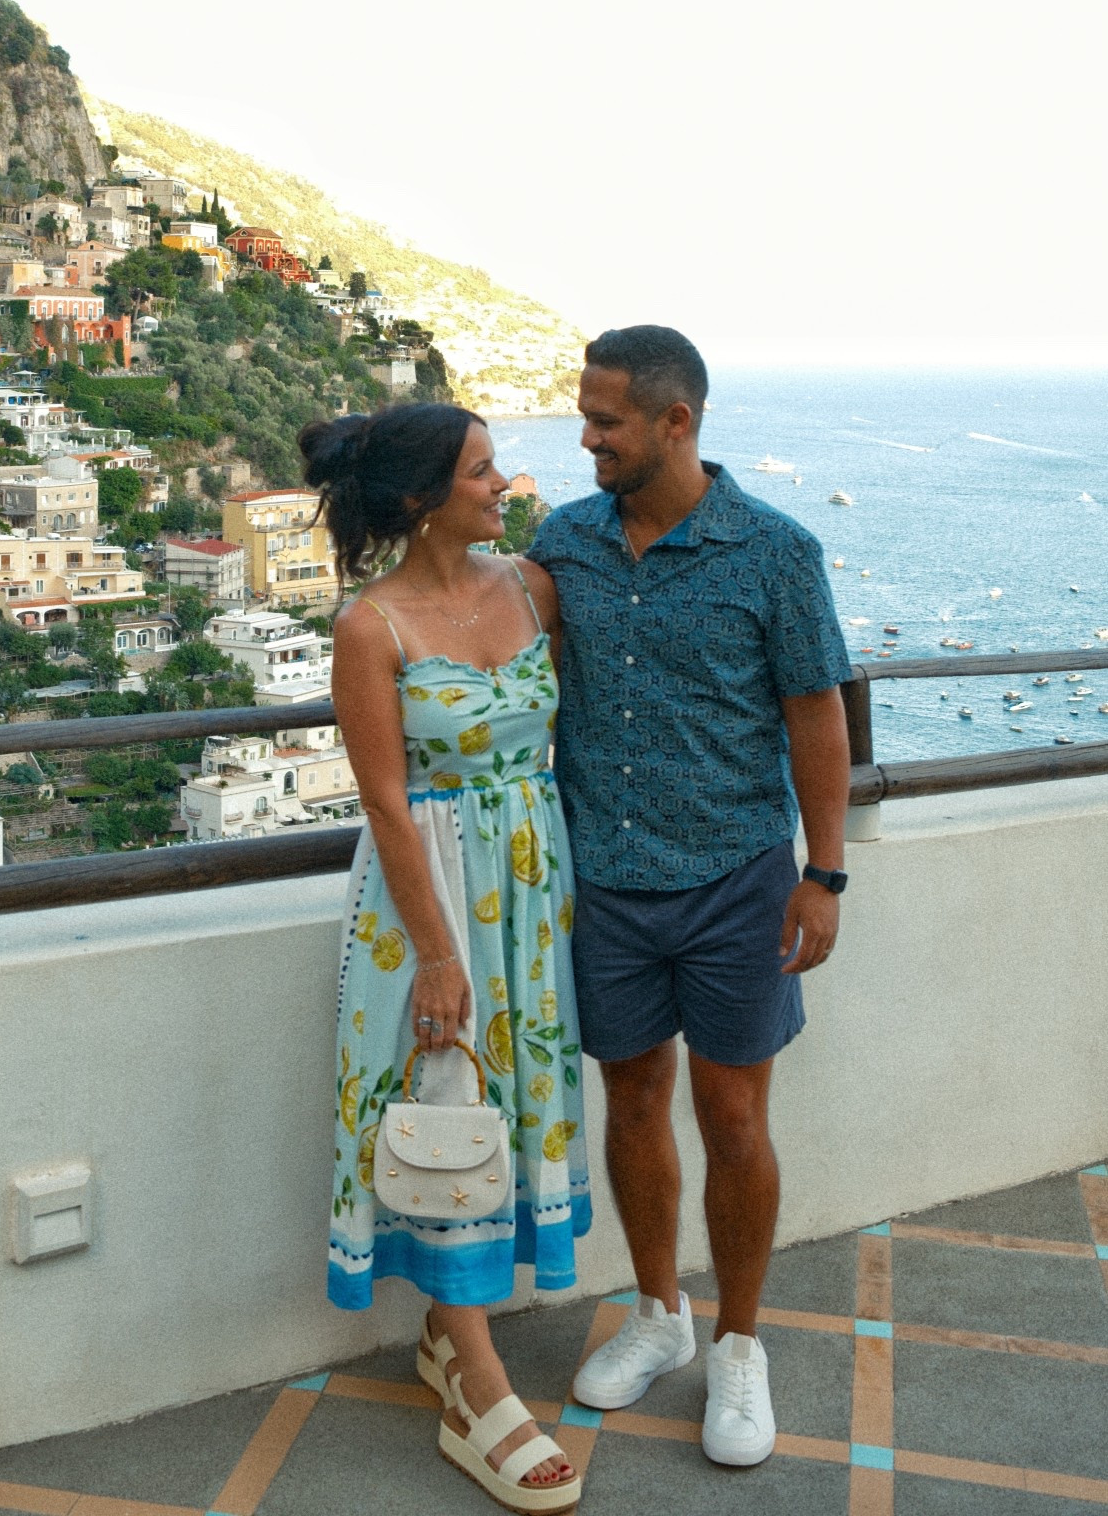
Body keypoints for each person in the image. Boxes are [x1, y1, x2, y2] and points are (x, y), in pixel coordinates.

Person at [524, 326, 851, 1469]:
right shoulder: (561, 539)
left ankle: (738, 1344)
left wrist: (824, 869)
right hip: (603, 882)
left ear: (675, 421)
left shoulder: (773, 550)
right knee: (630, 1102)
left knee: (735, 1117)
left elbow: (817, 713)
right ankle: (658, 1310)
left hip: (736, 878)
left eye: (604, 420)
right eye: (585, 414)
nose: (585, 437)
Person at [303, 401, 589, 1514]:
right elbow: (382, 798)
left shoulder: (532, 586)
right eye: (480, 469)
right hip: (427, 898)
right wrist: (433, 953)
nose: (503, 481)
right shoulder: (370, 625)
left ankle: (443, 1330)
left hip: (530, 884)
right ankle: (479, 1383)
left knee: (506, 1098)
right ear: (424, 497)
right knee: (442, 1093)